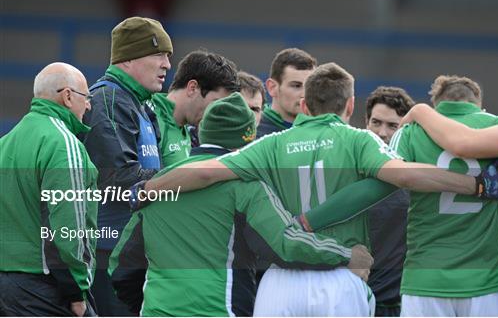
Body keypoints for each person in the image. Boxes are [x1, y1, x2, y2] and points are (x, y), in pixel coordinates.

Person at [137, 63, 498, 316]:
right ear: (350, 105)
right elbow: (406, 176)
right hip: (339, 277)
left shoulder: (272, 144)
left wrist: (148, 189)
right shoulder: (359, 141)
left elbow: (205, 173)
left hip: (280, 283)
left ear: (304, 104)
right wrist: (474, 185)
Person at [109, 93, 373, 316]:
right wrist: (346, 255)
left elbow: (121, 268)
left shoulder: (159, 184)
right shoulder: (245, 185)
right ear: (248, 141)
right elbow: (286, 244)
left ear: (202, 132)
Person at [389, 75, 498, 316]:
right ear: (478, 104)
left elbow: (387, 176)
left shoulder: (409, 131)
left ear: (437, 104)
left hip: (425, 278)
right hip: (486, 279)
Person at [81, 16, 173, 316]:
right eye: (159, 54)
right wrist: (183, 179)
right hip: (109, 253)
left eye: (168, 57)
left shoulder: (140, 104)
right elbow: (117, 179)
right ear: (128, 58)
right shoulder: (107, 99)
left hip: (131, 253)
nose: (166, 65)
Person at [0, 62, 97, 316]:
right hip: (47, 288)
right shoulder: (65, 144)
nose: (88, 105)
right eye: (86, 97)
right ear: (67, 97)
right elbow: (67, 228)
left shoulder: (5, 142)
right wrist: (77, 292)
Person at [364, 86, 415, 316]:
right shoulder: (347, 172)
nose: (382, 132)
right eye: (376, 122)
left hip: (399, 303)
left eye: (392, 125)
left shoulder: (418, 179)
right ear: (366, 123)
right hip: (354, 296)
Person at [148, 50, 240, 167]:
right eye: (215, 103)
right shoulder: (150, 118)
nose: (217, 113)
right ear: (192, 88)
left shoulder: (185, 125)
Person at [257, 48, 317, 138]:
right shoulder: (252, 131)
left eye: (309, 86)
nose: (304, 95)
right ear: (272, 87)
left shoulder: (323, 132)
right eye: (296, 86)